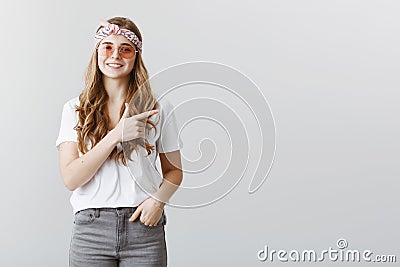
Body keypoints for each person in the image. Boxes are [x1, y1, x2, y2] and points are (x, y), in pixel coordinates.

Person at [55, 16, 183, 266]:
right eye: (108, 46)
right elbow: (71, 179)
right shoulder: (74, 109)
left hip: (143, 227)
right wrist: (117, 134)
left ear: (136, 57)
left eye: (126, 49)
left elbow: (175, 171)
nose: (116, 55)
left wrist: (158, 202)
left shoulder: (158, 108)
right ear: (97, 52)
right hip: (90, 230)